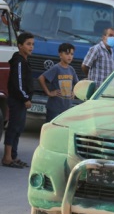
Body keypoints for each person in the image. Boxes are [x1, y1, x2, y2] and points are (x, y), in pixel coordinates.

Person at [2, 32, 34, 168]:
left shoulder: (25, 60)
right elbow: (18, 83)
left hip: (21, 101)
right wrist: (25, 98)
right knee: (13, 128)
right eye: (28, 44)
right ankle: (7, 157)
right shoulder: (19, 61)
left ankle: (13, 156)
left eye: (32, 44)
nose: (31, 47)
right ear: (20, 46)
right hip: (17, 100)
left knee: (19, 128)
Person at [37, 43, 79, 122]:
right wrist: (49, 93)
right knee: (51, 129)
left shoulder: (71, 69)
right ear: (60, 55)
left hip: (67, 108)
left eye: (71, 54)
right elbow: (41, 78)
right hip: (54, 108)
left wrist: (74, 92)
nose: (69, 56)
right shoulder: (56, 68)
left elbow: (77, 83)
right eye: (67, 54)